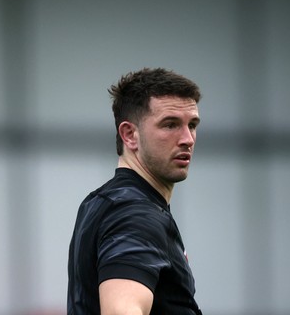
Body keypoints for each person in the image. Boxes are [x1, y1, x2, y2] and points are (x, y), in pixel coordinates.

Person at [67, 67, 203, 315]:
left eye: (192, 125)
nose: (188, 139)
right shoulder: (135, 213)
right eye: (170, 124)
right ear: (130, 135)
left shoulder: (104, 202)